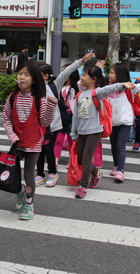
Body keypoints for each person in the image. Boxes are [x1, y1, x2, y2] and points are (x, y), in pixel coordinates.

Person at [3, 61, 58, 220]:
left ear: (34, 79)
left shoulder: (39, 99)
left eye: (27, 75)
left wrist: (51, 106)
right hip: (16, 143)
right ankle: (20, 192)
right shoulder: (12, 97)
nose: (22, 77)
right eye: (20, 73)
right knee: (11, 172)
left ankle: (29, 204)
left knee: (28, 175)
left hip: (33, 143)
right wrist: (12, 136)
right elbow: (6, 118)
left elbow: (45, 122)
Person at [71, 64, 135, 198]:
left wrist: (123, 85)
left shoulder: (98, 92)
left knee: (87, 159)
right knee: (82, 159)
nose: (81, 77)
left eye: (84, 75)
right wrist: (73, 133)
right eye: (82, 74)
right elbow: (75, 116)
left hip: (94, 131)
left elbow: (110, 88)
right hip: (81, 131)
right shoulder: (78, 95)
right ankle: (96, 173)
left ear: (93, 79)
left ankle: (83, 186)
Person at [35, 54, 94, 187]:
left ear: (45, 76)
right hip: (38, 125)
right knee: (38, 150)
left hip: (52, 125)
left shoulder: (55, 84)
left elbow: (68, 70)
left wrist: (80, 61)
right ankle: (39, 174)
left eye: (37, 74)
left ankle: (52, 172)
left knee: (49, 149)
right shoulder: (34, 87)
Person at [55, 68, 80, 171]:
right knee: (58, 140)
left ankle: (71, 160)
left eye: (64, 71)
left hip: (72, 116)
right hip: (61, 116)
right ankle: (55, 161)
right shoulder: (59, 85)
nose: (61, 73)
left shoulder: (77, 86)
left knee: (72, 140)